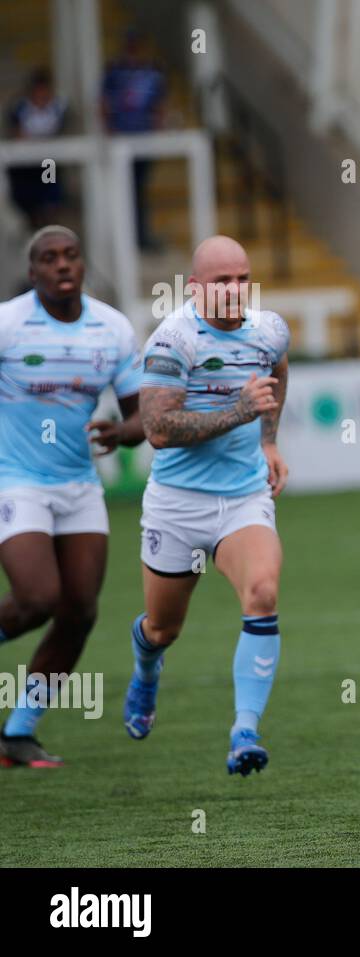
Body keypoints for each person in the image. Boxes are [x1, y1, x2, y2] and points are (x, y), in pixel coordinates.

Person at [125, 235, 291, 776]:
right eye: (221, 281)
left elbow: (277, 372)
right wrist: (241, 412)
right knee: (163, 628)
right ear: (195, 288)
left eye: (242, 277)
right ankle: (147, 671)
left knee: (262, 593)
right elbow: (158, 430)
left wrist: (268, 440)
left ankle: (245, 730)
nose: (235, 290)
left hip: (242, 498)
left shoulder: (268, 329)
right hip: (176, 506)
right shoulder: (174, 342)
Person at [0, 226, 144, 767]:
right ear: (32, 271)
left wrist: (124, 434)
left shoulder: (111, 329)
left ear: (83, 265)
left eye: (71, 256)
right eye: (49, 258)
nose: (62, 265)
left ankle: (17, 732)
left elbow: (142, 415)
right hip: (15, 479)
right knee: (37, 599)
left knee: (79, 611)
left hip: (79, 486)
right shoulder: (9, 323)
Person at [101, 29, 167, 250]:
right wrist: (110, 130)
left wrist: (156, 132)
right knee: (123, 191)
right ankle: (124, 238)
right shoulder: (114, 72)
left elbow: (159, 106)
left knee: (139, 189)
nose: (133, 51)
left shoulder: (152, 73)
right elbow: (103, 103)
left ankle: (141, 236)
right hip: (122, 140)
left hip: (143, 139)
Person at [5, 69, 70, 230]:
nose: (41, 95)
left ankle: (49, 225)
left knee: (50, 196)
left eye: (44, 91)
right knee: (27, 199)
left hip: (48, 162)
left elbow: (62, 132)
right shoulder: (20, 106)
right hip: (26, 164)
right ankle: (34, 226)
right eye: (37, 92)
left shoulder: (58, 106)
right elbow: (16, 132)